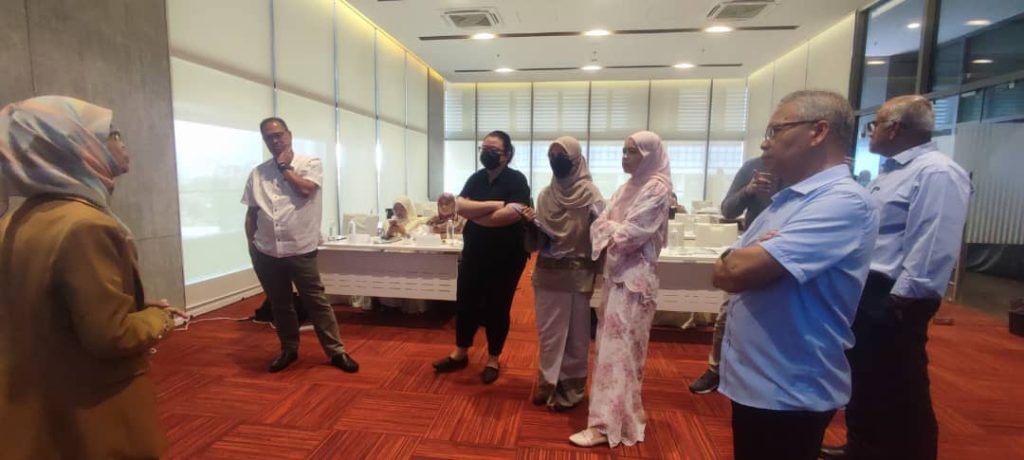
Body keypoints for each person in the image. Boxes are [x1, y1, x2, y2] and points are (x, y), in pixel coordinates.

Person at [0, 96, 186, 459]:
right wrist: (161, 318)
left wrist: (129, 304)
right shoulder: (85, 225)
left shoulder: (15, 221)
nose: (122, 143)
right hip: (89, 412)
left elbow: (42, 308)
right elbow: (112, 336)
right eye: (110, 134)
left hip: (37, 407)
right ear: (71, 145)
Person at [712, 90, 878, 460]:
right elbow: (727, 267)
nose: (764, 143)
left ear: (818, 131)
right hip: (761, 380)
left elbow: (734, 271)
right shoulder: (789, 201)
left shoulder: (842, 201)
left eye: (776, 130)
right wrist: (744, 261)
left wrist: (743, 261)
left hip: (790, 385)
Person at [821, 96, 971, 460]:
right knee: (866, 376)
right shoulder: (891, 172)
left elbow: (934, 240)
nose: (869, 132)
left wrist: (904, 298)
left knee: (900, 385)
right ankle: (863, 447)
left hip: (895, 293)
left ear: (895, 128)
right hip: (867, 288)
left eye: (874, 124)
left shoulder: (936, 172)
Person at [569, 131, 672, 448]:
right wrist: (611, 226)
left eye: (633, 152)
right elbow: (600, 225)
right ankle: (619, 415)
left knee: (620, 353)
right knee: (611, 349)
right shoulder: (628, 187)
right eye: (624, 151)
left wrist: (610, 226)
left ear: (650, 155)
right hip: (616, 276)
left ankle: (605, 425)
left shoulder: (657, 188)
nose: (625, 157)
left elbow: (629, 236)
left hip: (635, 282)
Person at [243, 117, 358, 374]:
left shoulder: (310, 163)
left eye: (279, 135)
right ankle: (289, 349)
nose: (275, 140)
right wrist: (252, 245)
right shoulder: (258, 173)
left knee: (316, 302)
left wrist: (285, 168)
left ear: (289, 135)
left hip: (300, 248)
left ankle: (336, 351)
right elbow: (252, 213)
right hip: (266, 250)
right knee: (279, 303)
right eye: (269, 137)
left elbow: (306, 190)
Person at [432, 130, 532, 384]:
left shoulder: (517, 180)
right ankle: (460, 353)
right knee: (466, 301)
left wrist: (475, 212)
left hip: (506, 257)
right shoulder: (476, 178)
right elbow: (459, 206)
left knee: (498, 306)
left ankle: (493, 359)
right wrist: (495, 205)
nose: (486, 153)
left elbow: (509, 216)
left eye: (493, 150)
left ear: (506, 155)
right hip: (474, 252)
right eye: (483, 149)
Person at [531, 136, 604, 411]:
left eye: (561, 155)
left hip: (576, 275)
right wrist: (529, 227)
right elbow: (538, 239)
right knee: (549, 333)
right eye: (551, 155)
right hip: (546, 274)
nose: (555, 161)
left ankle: (570, 390)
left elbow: (602, 236)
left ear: (576, 160)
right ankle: (547, 382)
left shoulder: (590, 195)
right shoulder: (545, 195)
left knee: (575, 335)